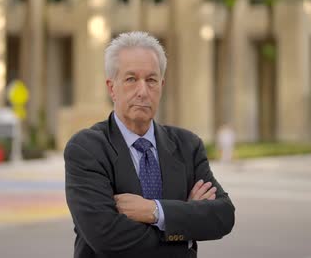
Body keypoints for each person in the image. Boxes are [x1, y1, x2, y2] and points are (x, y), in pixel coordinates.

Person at [64, 31, 235, 258]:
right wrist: (184, 229)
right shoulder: (87, 149)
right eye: (131, 79)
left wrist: (155, 211)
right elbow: (107, 238)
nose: (143, 91)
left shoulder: (188, 146)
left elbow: (223, 216)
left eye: (151, 80)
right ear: (112, 87)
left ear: (161, 85)